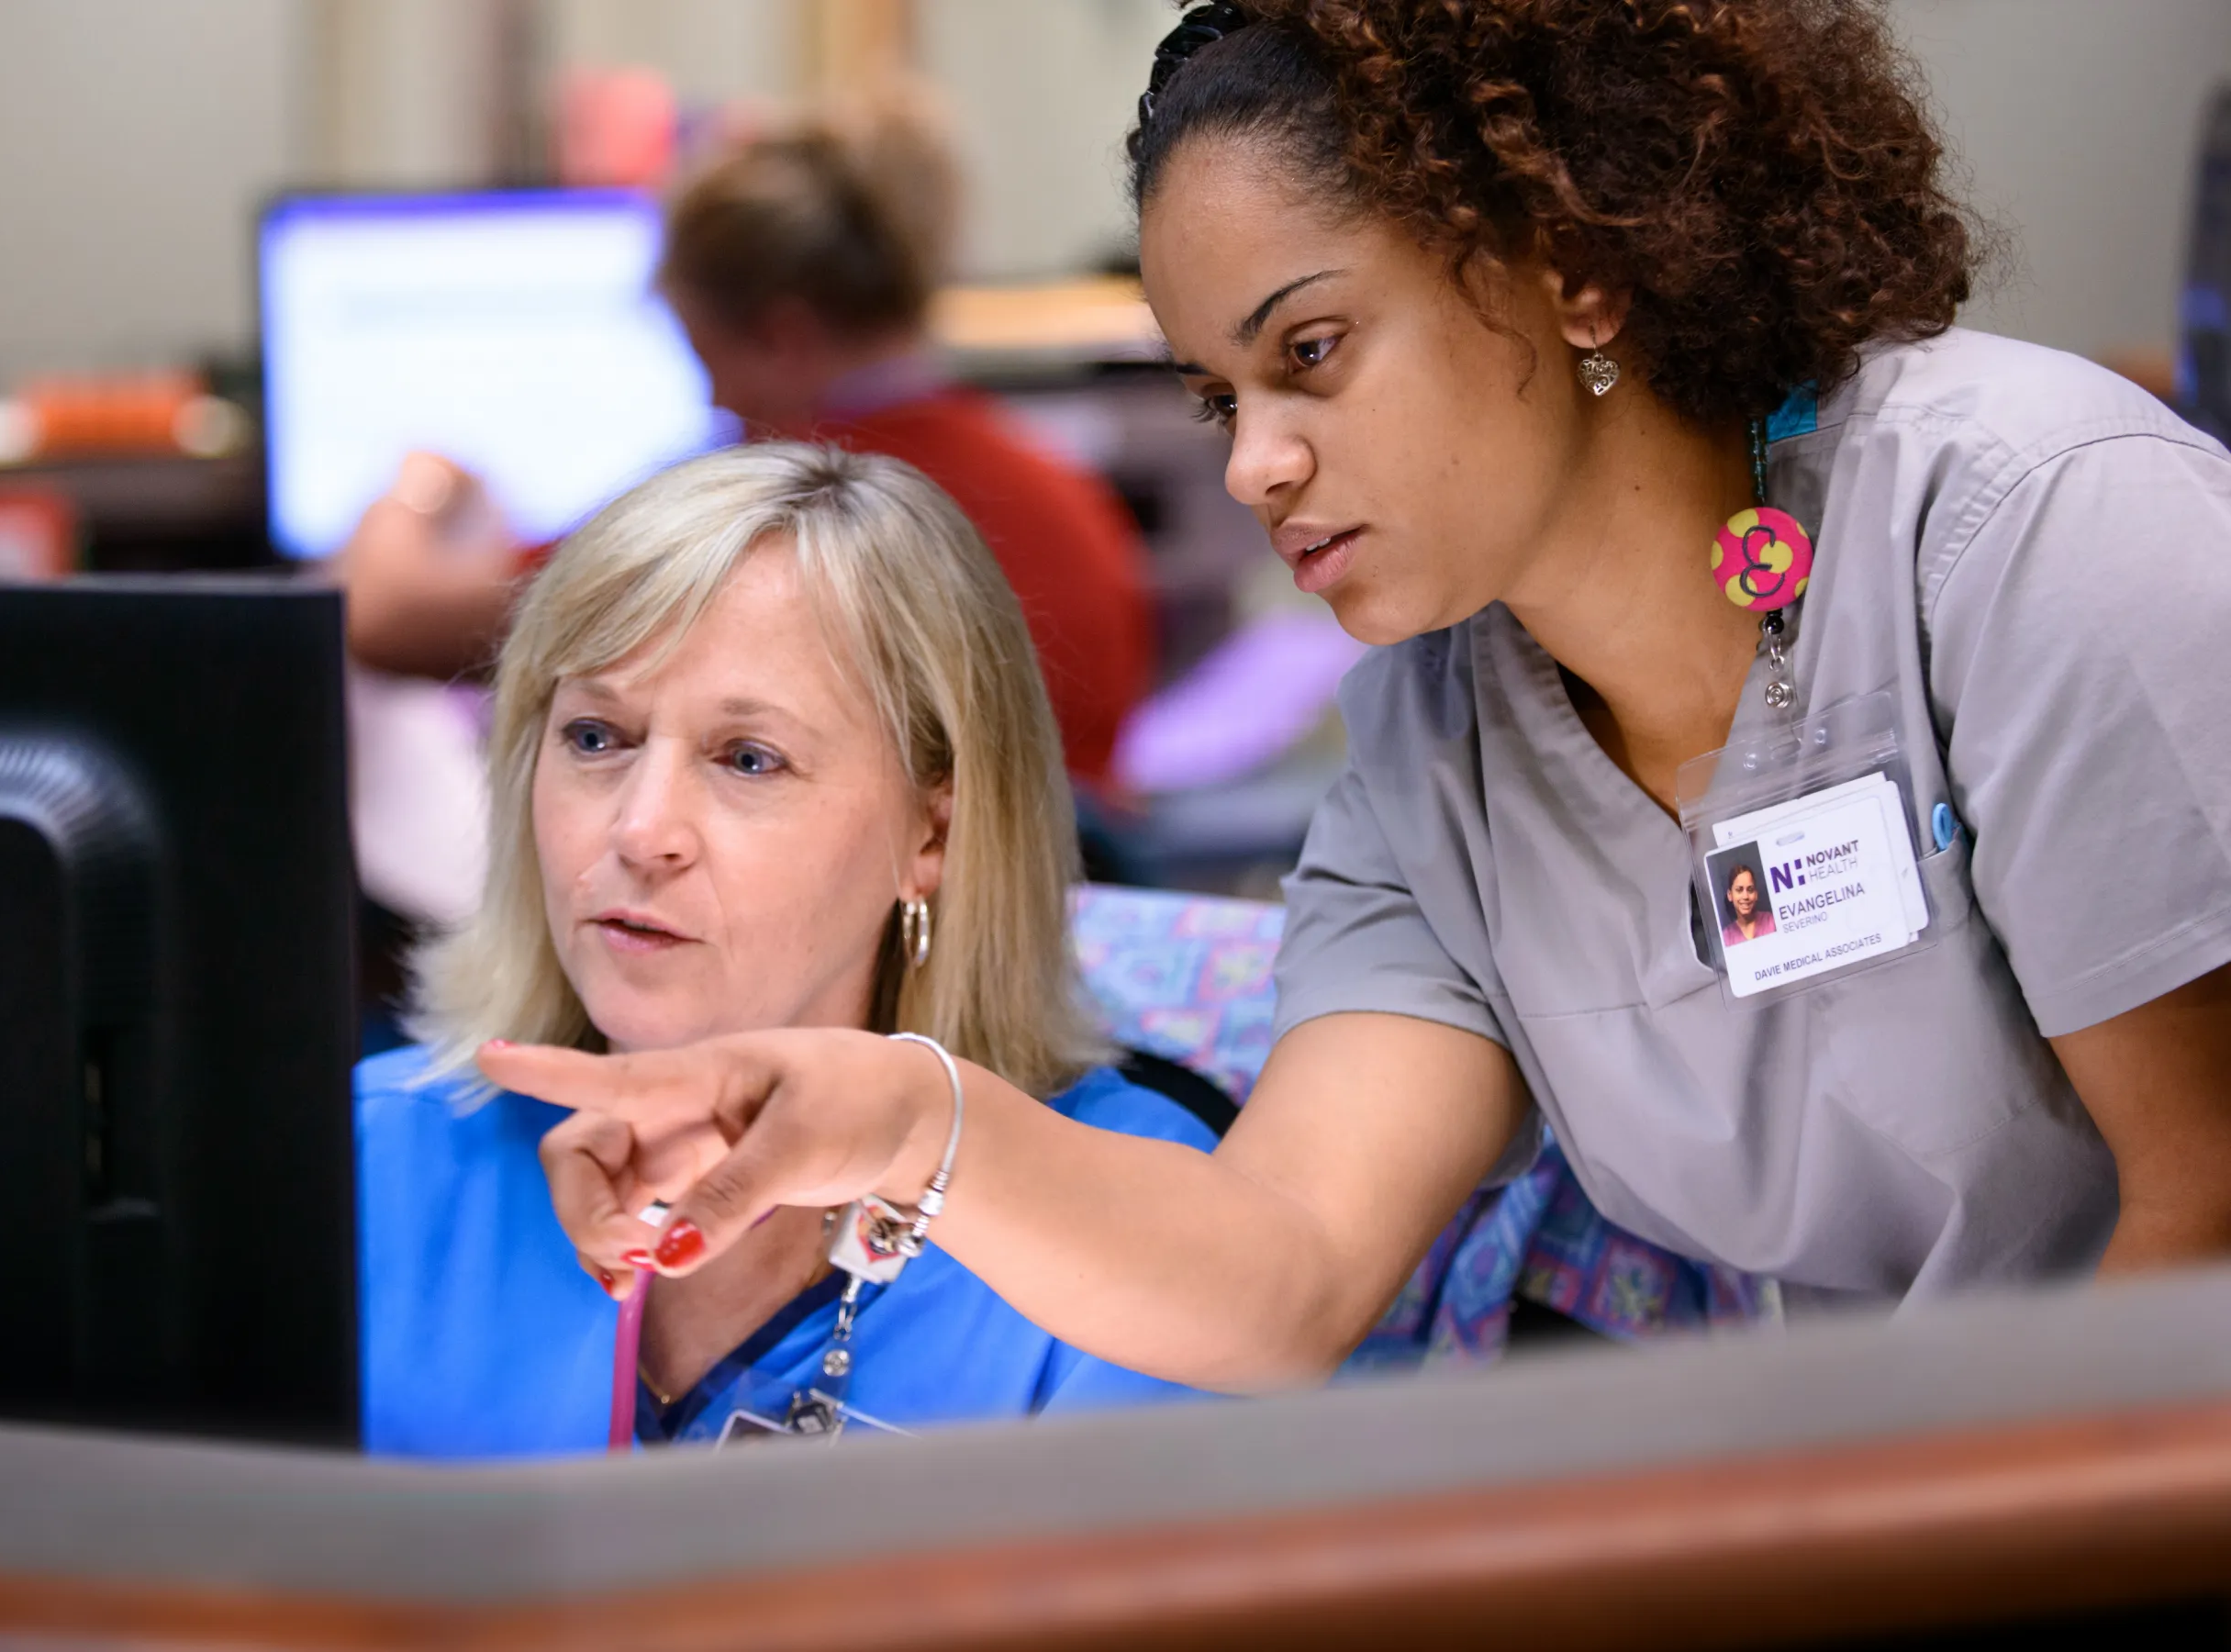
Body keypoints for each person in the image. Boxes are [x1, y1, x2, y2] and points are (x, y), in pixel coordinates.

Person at [489, 0, 2231, 1393]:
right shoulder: (1438, 743)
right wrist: (899, 1114)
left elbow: (2208, 1212)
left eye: (1309, 351)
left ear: (1573, 264)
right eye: (1217, 397)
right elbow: (1285, 1275)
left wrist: (1915, 1565)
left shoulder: (2030, 527)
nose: (1255, 464)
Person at [355, 443, 1213, 1456]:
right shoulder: (365, 1160)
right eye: (596, 738)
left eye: (748, 759)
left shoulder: (1139, 1217)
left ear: (931, 836)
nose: (640, 830)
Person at [340, 95, 1157, 798]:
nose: (710, 400)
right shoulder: (1060, 490)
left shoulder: (752, 529)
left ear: (782, 338)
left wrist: (419, 483)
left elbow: (384, 619)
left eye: (705, 357)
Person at [1719, 863, 1774, 949]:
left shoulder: (1771, 921)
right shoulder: (1726, 937)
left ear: (1756, 894)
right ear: (1730, 895)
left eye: (1750, 890)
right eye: (1739, 890)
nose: (1745, 896)